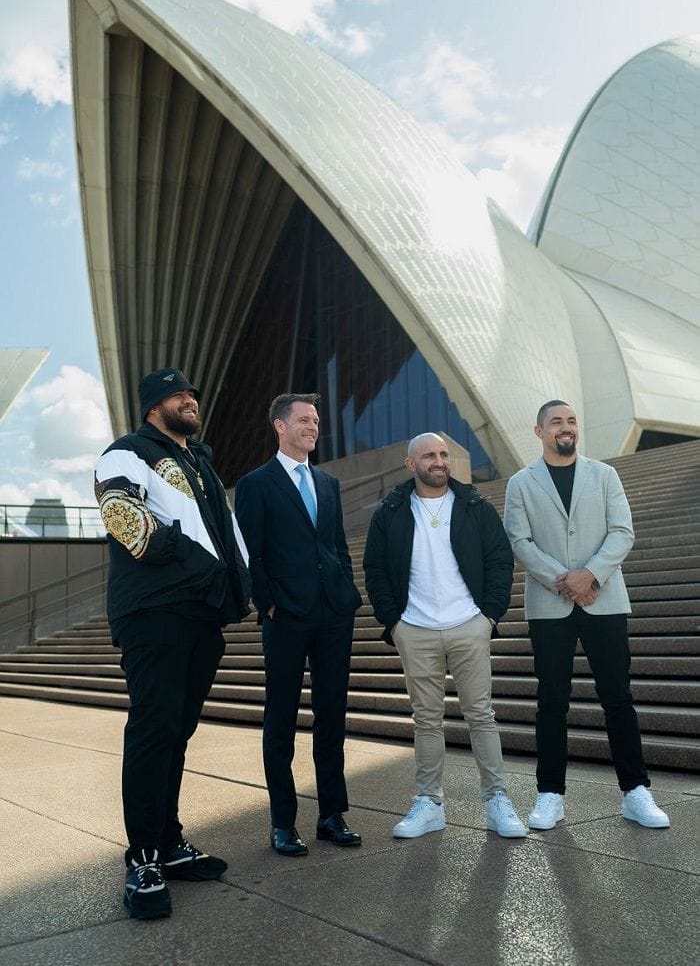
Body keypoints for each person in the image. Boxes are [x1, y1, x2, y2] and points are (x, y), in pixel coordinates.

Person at [94, 367, 250, 920]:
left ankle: (168, 841)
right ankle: (142, 858)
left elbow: (222, 532)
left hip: (201, 612)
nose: (191, 399)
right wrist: (184, 557)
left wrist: (235, 585)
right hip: (154, 609)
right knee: (154, 726)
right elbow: (120, 514)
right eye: (179, 393)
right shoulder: (127, 451)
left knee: (177, 730)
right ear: (152, 404)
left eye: (193, 394)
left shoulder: (200, 461)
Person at [503, 400, 670, 830]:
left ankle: (635, 792)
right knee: (551, 702)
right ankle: (550, 795)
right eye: (556, 421)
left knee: (618, 697)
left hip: (605, 599)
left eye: (571, 420)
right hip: (550, 603)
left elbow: (622, 531)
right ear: (539, 431)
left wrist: (590, 576)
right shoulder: (521, 483)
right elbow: (519, 541)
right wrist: (564, 579)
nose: (566, 427)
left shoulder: (605, 475)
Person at [363, 433, 526, 839]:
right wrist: (394, 623)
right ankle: (429, 803)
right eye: (429, 456)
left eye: (443, 454)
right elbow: (375, 569)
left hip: (469, 624)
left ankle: (497, 800)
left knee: (481, 716)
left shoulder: (474, 505)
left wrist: (488, 616)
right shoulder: (391, 511)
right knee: (426, 720)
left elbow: (500, 560)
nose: (438, 461)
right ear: (410, 464)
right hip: (415, 629)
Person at [235, 393, 363, 856]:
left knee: (332, 714)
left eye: (315, 421)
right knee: (282, 717)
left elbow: (336, 545)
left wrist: (346, 592)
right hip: (286, 615)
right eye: (304, 420)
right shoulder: (256, 484)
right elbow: (250, 552)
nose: (313, 427)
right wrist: (268, 604)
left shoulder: (327, 483)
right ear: (280, 426)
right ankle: (283, 822)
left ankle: (332, 814)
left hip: (332, 613)